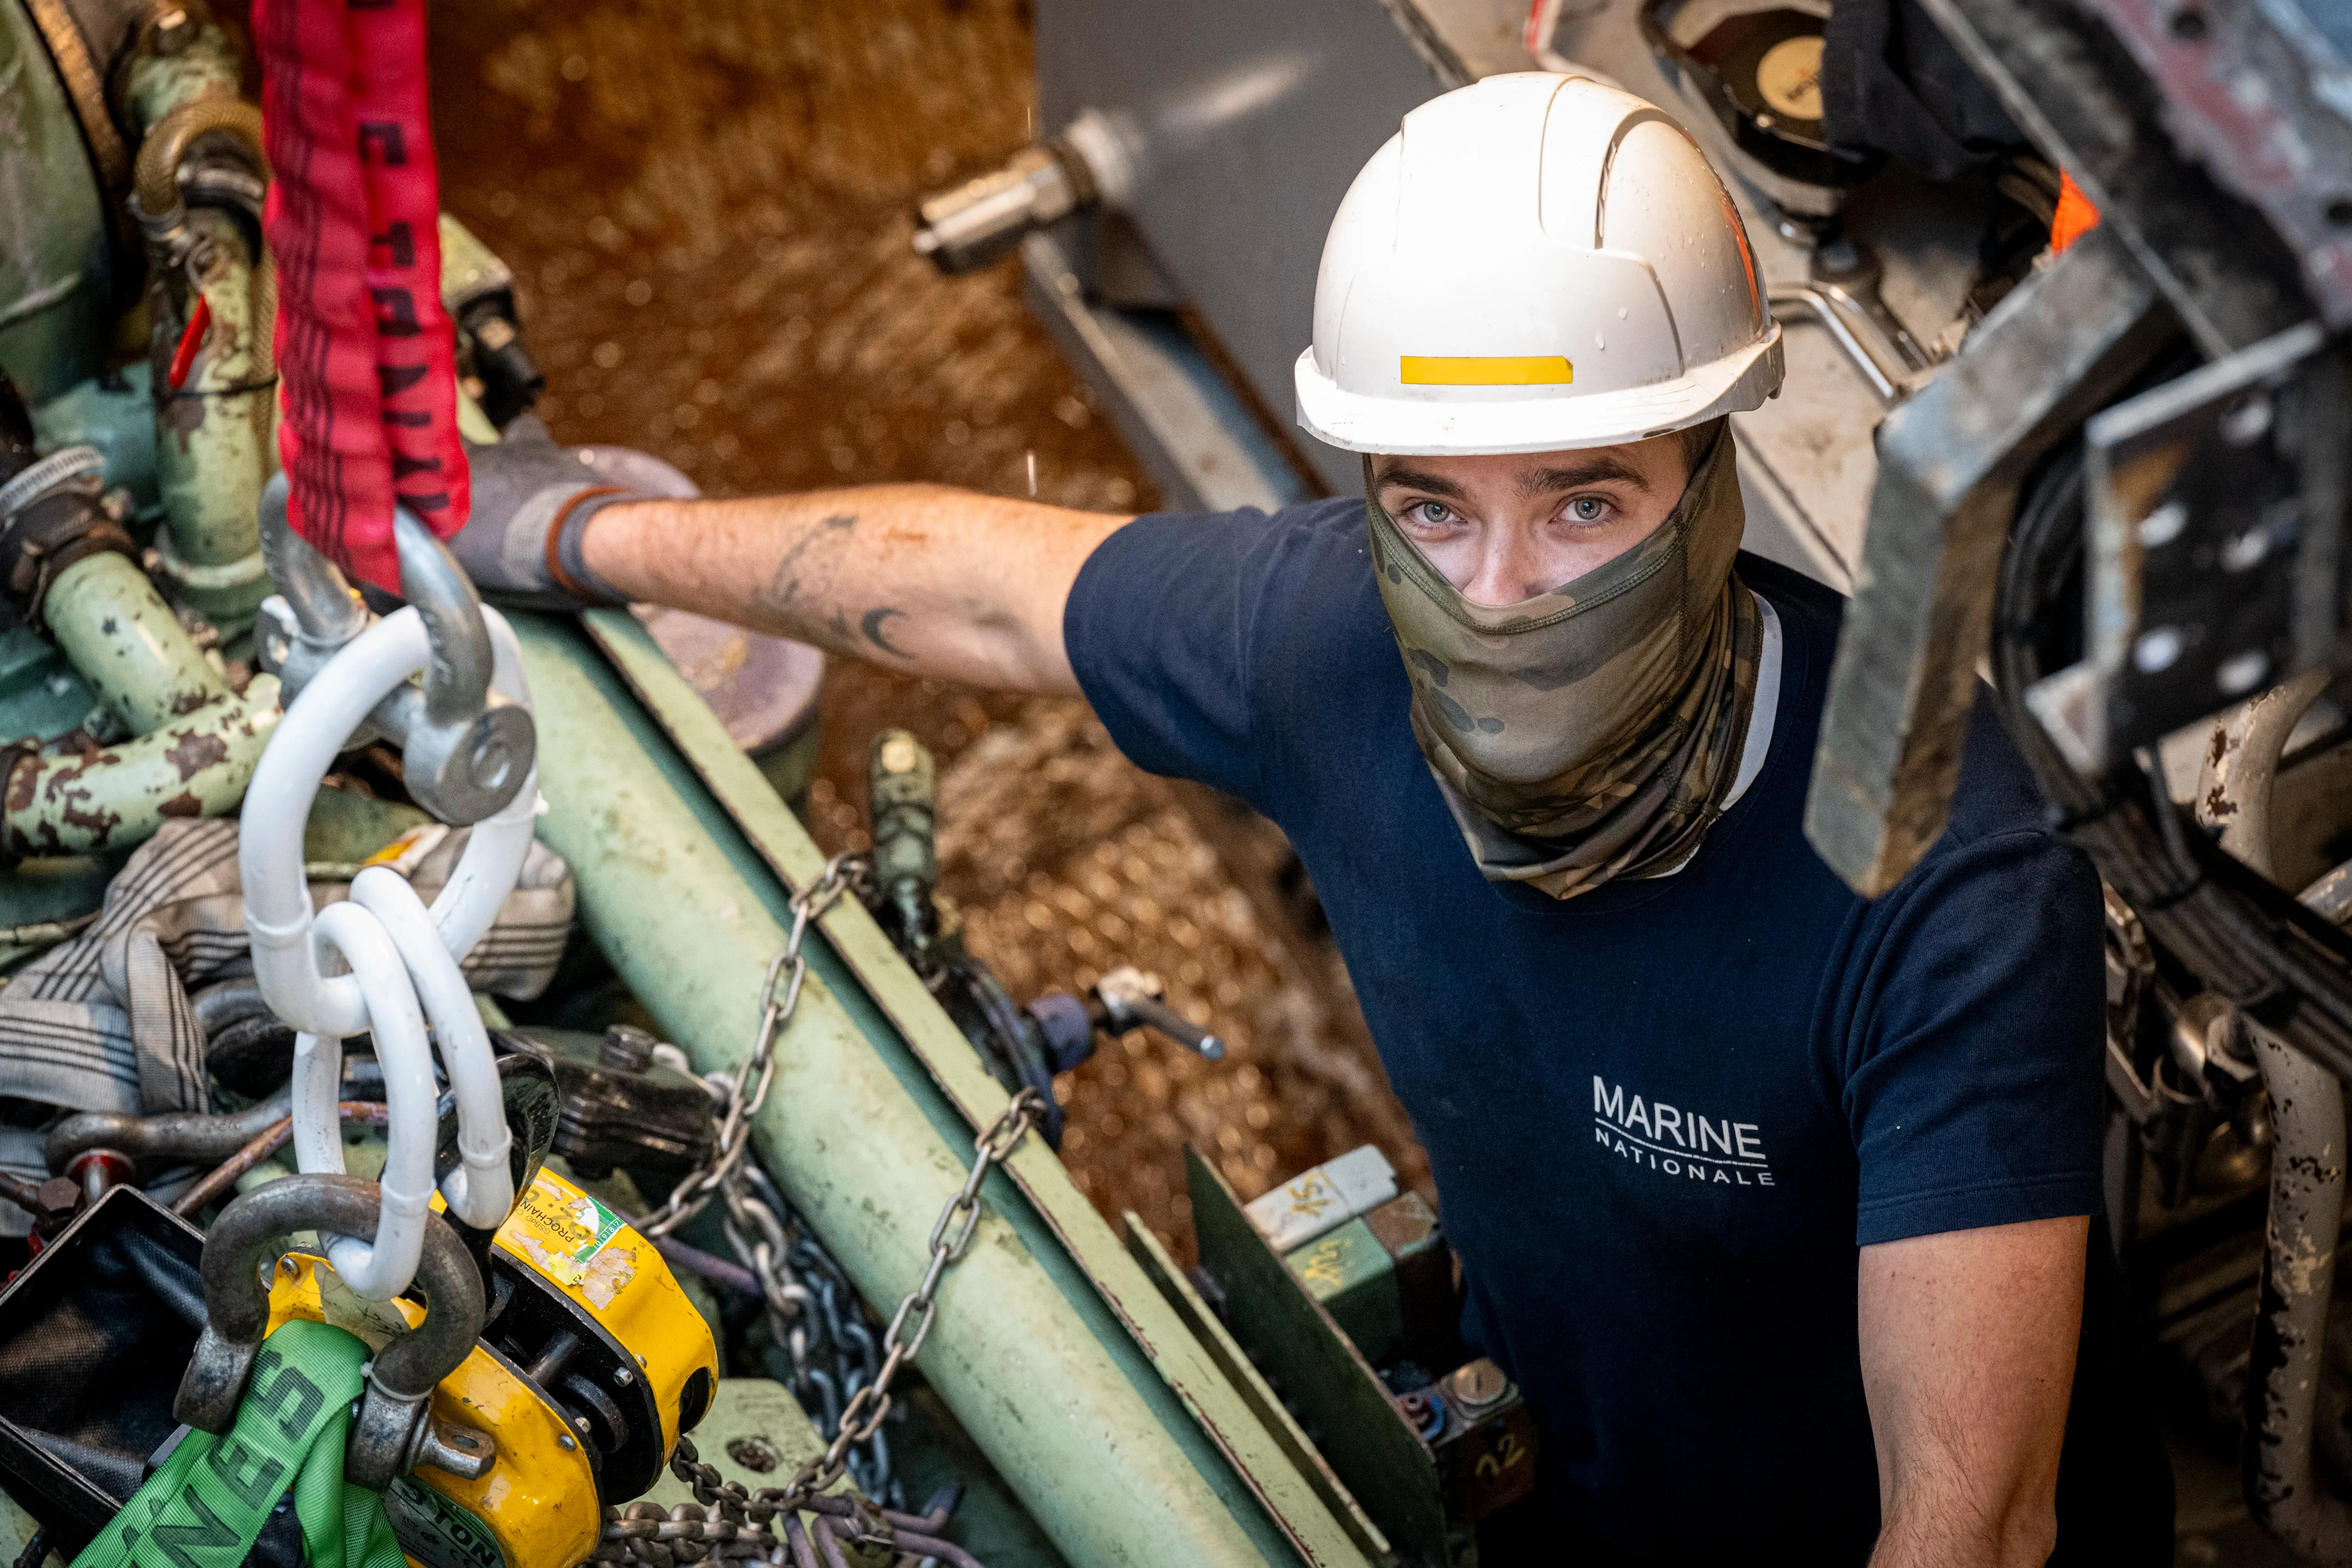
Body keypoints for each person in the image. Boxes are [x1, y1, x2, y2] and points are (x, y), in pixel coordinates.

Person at [456, 72, 2166, 1567]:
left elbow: (1970, 1527)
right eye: (1432, 508)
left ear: (1709, 468)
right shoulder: (1330, 645)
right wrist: (574, 534)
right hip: (1559, 1483)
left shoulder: (1938, 874)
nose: (1497, 593)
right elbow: (982, 587)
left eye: (1585, 504)